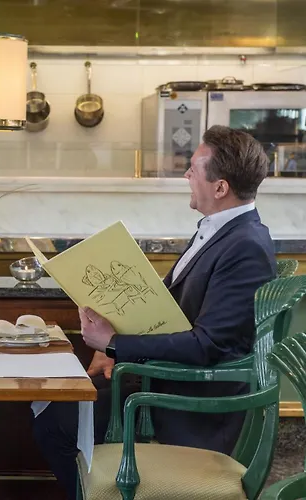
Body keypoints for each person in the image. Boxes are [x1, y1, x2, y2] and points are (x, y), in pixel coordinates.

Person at [32, 125, 277, 499]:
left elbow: (208, 345)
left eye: (193, 169)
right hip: (160, 381)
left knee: (55, 422)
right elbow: (167, 308)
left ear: (220, 188)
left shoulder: (246, 247)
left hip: (189, 407)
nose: (187, 175)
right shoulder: (222, 232)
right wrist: (112, 349)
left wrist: (116, 343)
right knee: (56, 403)